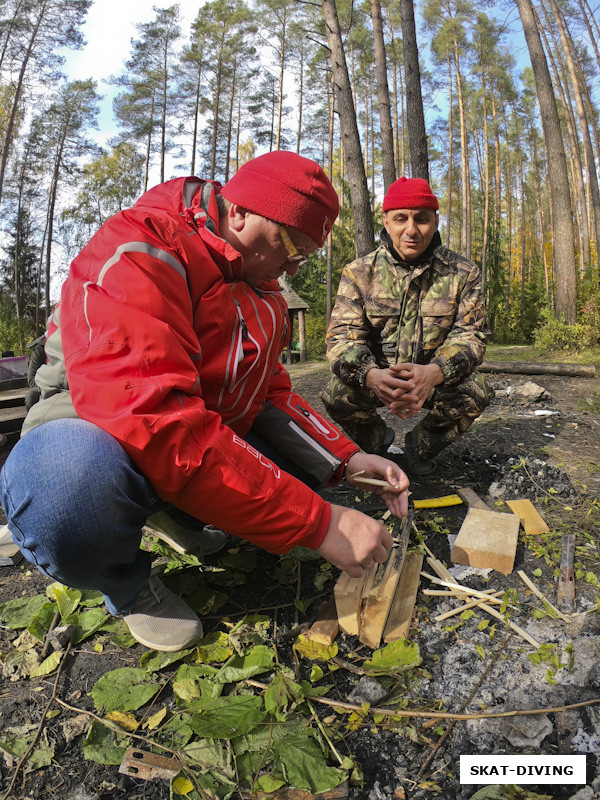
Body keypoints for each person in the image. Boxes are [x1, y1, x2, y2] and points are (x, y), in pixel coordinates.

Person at [0, 151, 409, 652]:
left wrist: (346, 460)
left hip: (184, 432)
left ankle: (172, 510)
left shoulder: (264, 290)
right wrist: (321, 522)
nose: (290, 268)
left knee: (305, 475)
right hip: (91, 429)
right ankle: (127, 587)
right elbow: (155, 418)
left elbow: (268, 392)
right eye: (289, 246)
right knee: (68, 492)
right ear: (239, 212)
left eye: (304, 256)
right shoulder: (142, 250)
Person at [321, 176, 493, 475]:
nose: (411, 230)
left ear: (436, 221)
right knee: (336, 394)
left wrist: (434, 373)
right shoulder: (360, 272)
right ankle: (378, 445)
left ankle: (419, 446)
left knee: (476, 391)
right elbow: (341, 339)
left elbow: (472, 335)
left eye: (422, 219)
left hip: (433, 379)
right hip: (378, 377)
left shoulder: (463, 272)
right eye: (400, 218)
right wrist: (370, 374)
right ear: (386, 222)